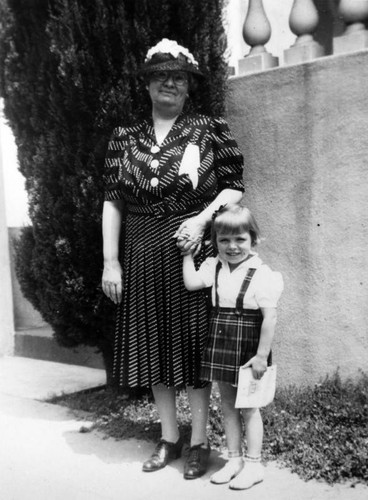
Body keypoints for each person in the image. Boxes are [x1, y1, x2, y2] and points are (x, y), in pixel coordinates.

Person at [101, 38, 244, 479]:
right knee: (152, 346)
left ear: (188, 86)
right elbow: (113, 201)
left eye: (178, 77)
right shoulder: (125, 138)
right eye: (161, 75)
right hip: (141, 249)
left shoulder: (209, 129)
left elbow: (233, 185)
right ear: (146, 84)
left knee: (192, 348)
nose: (169, 82)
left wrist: (202, 222)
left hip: (189, 247)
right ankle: (169, 437)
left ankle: (199, 442)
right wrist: (111, 261)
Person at [182, 203, 283, 489]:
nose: (232, 246)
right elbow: (191, 283)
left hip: (249, 346)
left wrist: (262, 355)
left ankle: (254, 465)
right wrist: (188, 256)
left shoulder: (263, 274)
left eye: (240, 239)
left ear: (253, 239)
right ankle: (234, 459)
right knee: (227, 404)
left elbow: (270, 318)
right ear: (215, 242)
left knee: (249, 406)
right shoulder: (214, 266)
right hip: (222, 340)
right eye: (224, 240)